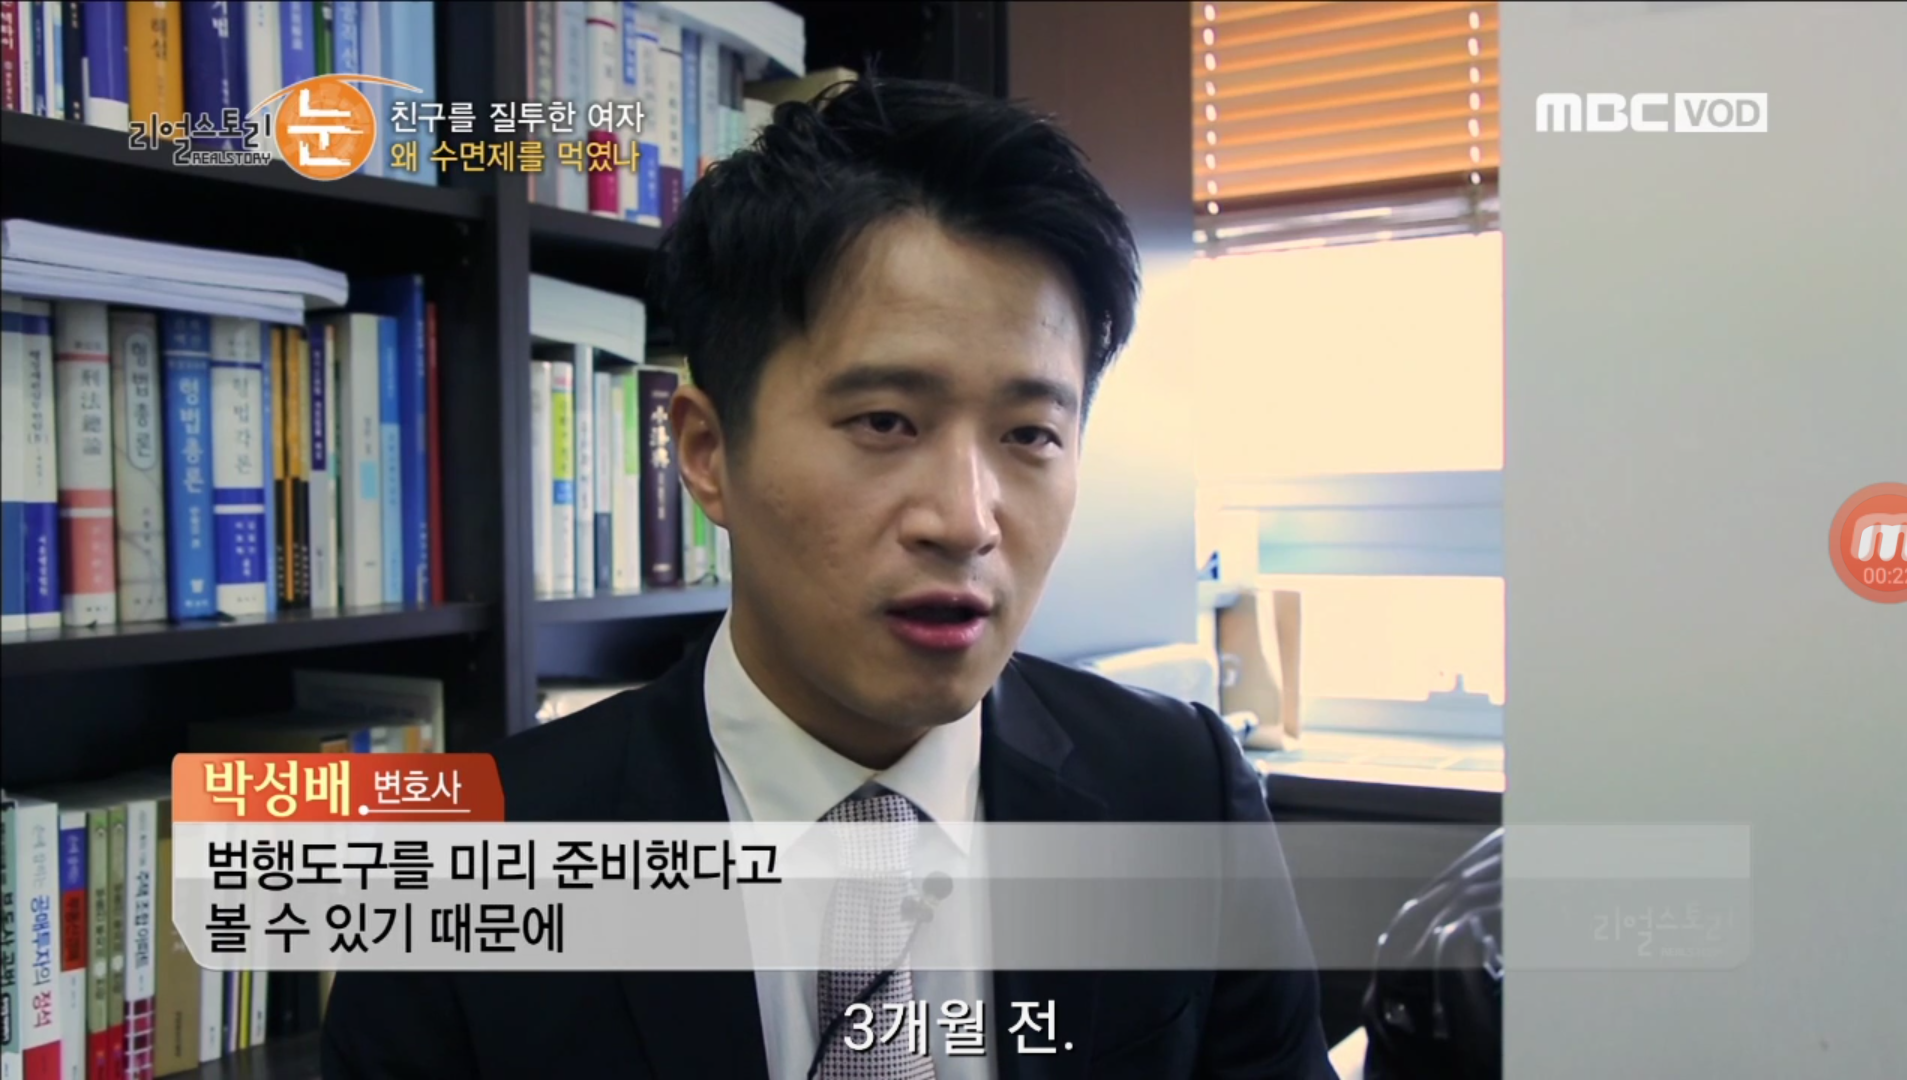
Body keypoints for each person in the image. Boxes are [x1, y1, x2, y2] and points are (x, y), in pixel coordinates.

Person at [322, 75, 1334, 1080]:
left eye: (1030, 434)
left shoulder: (1179, 794)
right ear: (708, 453)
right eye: (885, 422)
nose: (965, 521)